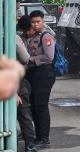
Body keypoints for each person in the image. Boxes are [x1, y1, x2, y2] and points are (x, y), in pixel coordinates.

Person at [26, 10, 56, 148]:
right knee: (34, 106)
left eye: (38, 22)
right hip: (34, 74)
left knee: (41, 107)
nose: (36, 24)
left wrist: (32, 59)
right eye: (33, 22)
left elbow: (49, 57)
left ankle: (44, 139)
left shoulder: (46, 36)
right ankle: (38, 137)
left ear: (43, 21)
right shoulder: (34, 36)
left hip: (44, 74)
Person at [16, 34, 37, 152]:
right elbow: (25, 58)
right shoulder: (12, 36)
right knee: (24, 114)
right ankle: (30, 145)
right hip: (15, 80)